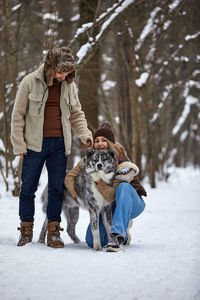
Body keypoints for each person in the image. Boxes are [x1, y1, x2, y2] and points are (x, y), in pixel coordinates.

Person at [11, 47, 93, 248]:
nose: (63, 76)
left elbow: (76, 114)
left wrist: (85, 134)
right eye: (60, 72)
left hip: (59, 145)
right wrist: (19, 144)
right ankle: (26, 229)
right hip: (33, 145)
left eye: (67, 73)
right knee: (28, 188)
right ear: (50, 67)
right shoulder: (30, 82)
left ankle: (54, 232)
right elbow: (18, 115)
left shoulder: (68, 85)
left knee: (57, 188)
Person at [65, 122, 147, 252]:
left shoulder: (123, 161)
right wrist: (76, 196)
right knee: (92, 241)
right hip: (111, 207)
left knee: (123, 187)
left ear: (110, 142)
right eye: (96, 141)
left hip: (131, 202)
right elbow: (70, 177)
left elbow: (110, 195)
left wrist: (96, 178)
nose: (100, 144)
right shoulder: (91, 159)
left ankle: (118, 235)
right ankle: (122, 230)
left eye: (104, 140)